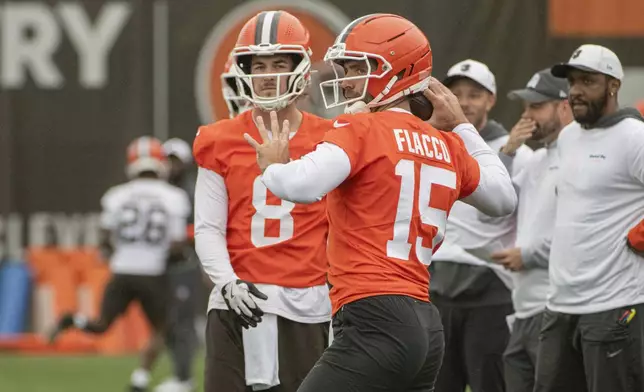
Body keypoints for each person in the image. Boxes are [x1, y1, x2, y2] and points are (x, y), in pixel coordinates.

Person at [243, 13, 517, 392]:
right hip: (425, 322)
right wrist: (464, 129)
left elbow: (301, 185)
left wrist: (273, 166)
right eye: (346, 67)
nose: (348, 79)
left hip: (374, 315)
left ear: (399, 71)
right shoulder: (448, 143)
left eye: (359, 67)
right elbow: (503, 198)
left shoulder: (363, 128)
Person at [193, 10, 332, 392]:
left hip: (306, 301)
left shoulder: (334, 137)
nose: (267, 75)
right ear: (244, 70)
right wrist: (227, 283)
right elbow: (208, 227)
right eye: (259, 65)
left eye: (278, 64)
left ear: (300, 68)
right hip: (237, 299)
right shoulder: (218, 139)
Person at [534, 44, 644, 392]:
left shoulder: (635, 137)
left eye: (587, 81)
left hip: (615, 305)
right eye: (572, 82)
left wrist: (638, 237)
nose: (576, 91)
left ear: (613, 85)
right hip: (559, 305)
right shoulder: (568, 137)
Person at [49, 136, 191, 392]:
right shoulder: (174, 197)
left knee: (101, 325)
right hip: (153, 273)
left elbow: (105, 238)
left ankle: (74, 320)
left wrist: (123, 252)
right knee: (163, 328)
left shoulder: (116, 196)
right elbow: (177, 243)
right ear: (159, 163)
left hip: (122, 271)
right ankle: (146, 379)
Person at [430, 59, 533, 392]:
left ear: (491, 100)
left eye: (475, 94)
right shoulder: (432, 144)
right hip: (438, 285)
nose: (464, 102)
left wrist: (507, 154)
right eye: (457, 93)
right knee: (439, 383)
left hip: (490, 288)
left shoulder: (518, 152)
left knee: (489, 383)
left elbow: (496, 212)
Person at [488, 68, 572, 392]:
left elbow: (581, 231)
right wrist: (507, 152)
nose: (527, 115)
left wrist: (529, 255)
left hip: (554, 308)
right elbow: (495, 210)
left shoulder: (577, 160)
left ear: (564, 107)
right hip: (522, 309)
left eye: (537, 106)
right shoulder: (536, 161)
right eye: (526, 107)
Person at [154, 138, 199, 392]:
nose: (170, 166)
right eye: (167, 160)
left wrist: (182, 237)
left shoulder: (191, 191)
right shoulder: (159, 192)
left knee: (182, 322)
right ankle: (179, 374)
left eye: (175, 161)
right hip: (161, 266)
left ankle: (184, 378)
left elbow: (201, 227)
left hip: (184, 264)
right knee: (168, 322)